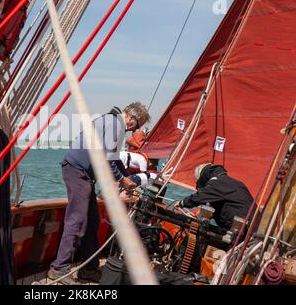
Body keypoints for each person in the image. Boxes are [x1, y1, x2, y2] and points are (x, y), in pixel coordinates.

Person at [48, 102, 150, 284]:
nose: (133, 131)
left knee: (92, 221)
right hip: (77, 172)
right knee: (77, 220)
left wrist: (126, 177)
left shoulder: (112, 122)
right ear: (131, 118)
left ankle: (89, 270)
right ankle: (59, 268)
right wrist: (122, 180)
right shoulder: (117, 125)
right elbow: (107, 158)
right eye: (137, 126)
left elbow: (114, 158)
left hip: (83, 174)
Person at [175, 163, 256, 231]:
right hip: (252, 225)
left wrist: (182, 203)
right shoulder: (230, 182)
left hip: (242, 228)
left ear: (203, 177)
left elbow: (200, 197)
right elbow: (227, 205)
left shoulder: (217, 182)